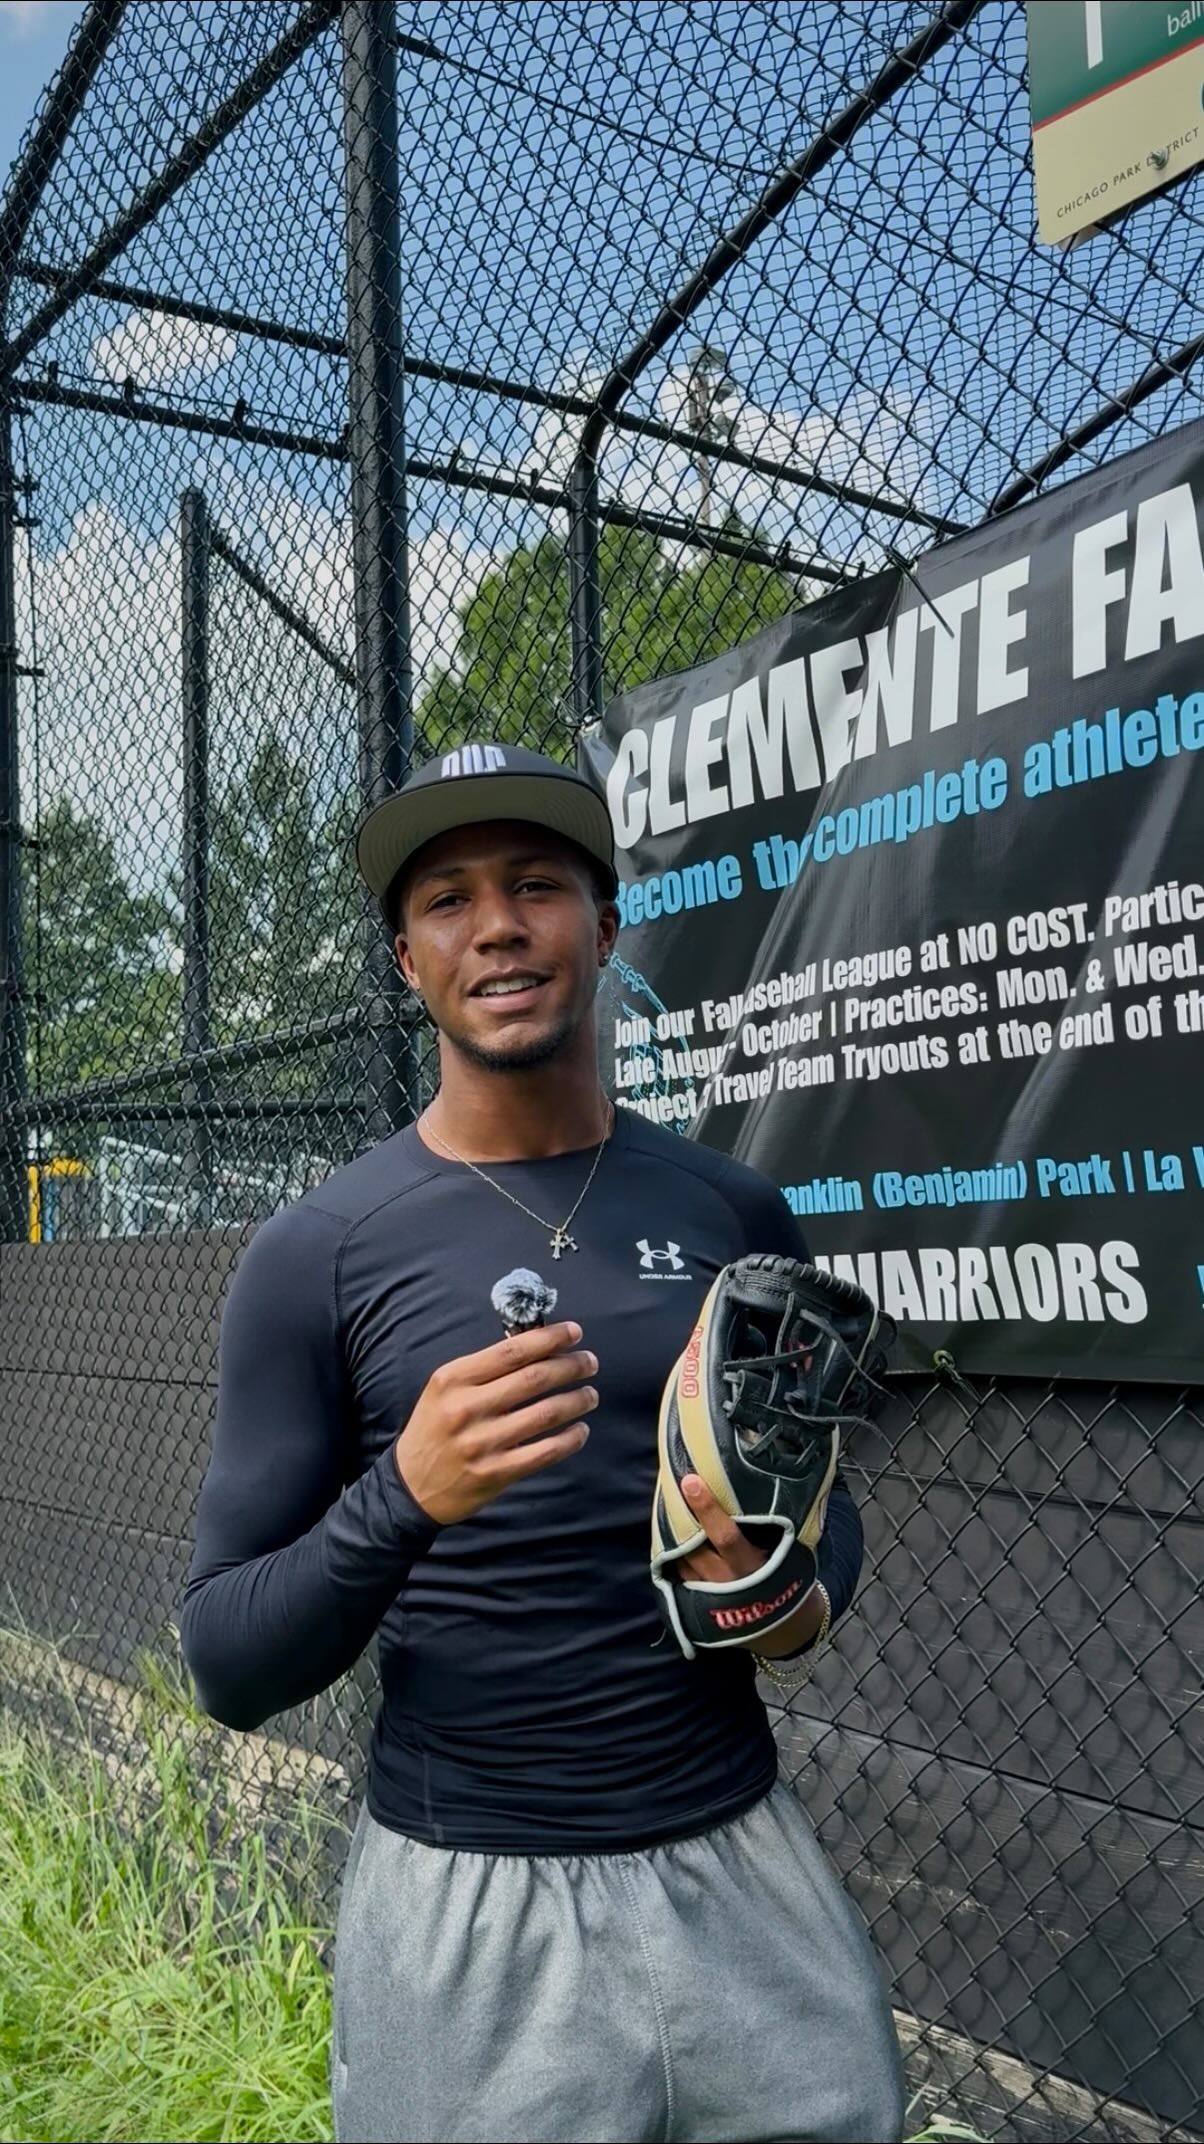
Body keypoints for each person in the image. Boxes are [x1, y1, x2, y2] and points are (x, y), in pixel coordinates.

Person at [179, 741, 905, 2144]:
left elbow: (826, 1532)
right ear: (407, 961)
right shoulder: (316, 1254)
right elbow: (224, 1660)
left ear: (607, 925)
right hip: (468, 1904)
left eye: (536, 883)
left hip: (741, 1867)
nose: (497, 923)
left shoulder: (733, 1212)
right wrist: (404, 1497)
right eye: (446, 898)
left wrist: (773, 1587)